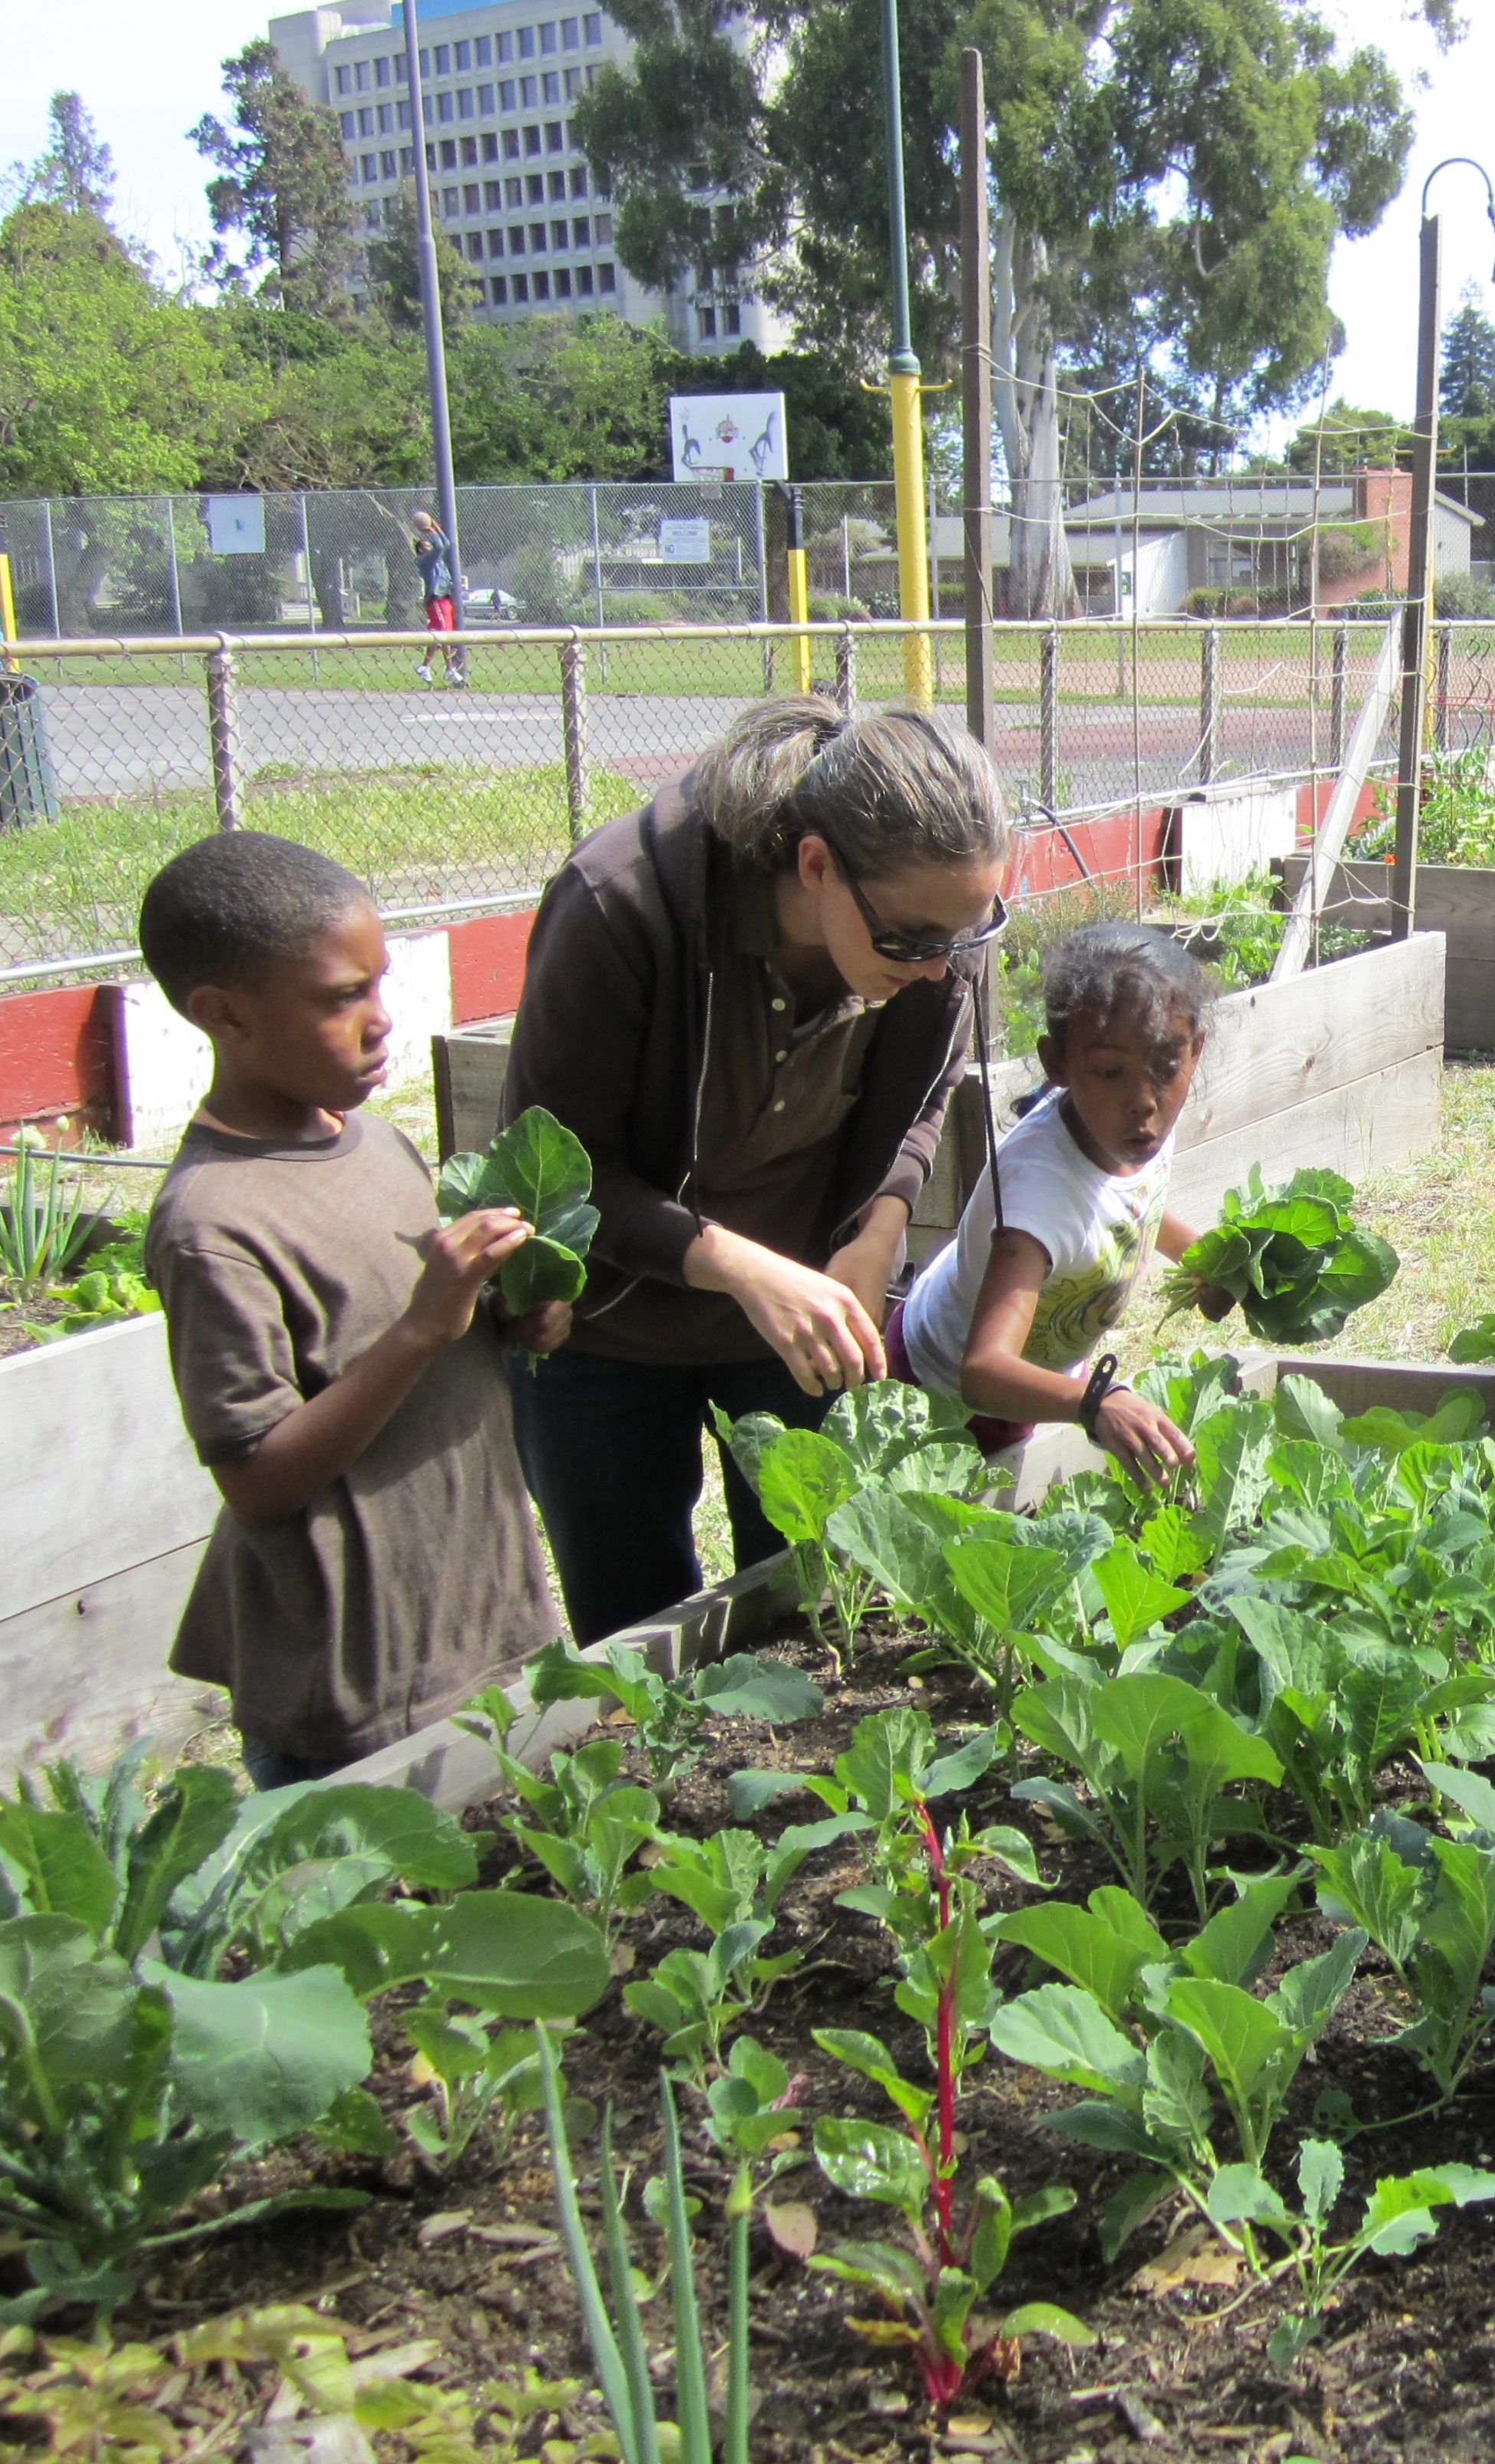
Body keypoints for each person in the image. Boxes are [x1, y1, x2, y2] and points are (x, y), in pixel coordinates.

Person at [501, 694, 1010, 1636]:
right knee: (639, 1641)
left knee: (820, 1613)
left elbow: (923, 1101)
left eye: (966, 939)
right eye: (913, 943)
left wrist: (877, 1230)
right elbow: (563, 1180)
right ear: (815, 865)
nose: (943, 970)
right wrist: (741, 1268)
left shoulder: (936, 924)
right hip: (610, 1331)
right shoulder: (621, 907)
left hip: (798, 1325)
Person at [136, 831, 570, 1789]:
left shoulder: (375, 1144)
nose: (381, 1022)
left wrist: (513, 1317)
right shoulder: (214, 1223)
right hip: (356, 1677)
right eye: (341, 998)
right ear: (223, 1015)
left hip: (481, 1620)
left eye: (380, 985)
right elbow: (258, 1480)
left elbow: (429, 1340)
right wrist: (425, 1327)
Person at [888, 924, 1212, 1480]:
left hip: (1041, 1375)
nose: (1143, 1100)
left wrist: (1206, 1259)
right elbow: (984, 1372)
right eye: (1110, 1072)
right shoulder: (1033, 1207)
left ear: (1194, 1052)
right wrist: (1095, 1402)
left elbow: (1130, 1207)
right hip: (946, 1403)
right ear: (1056, 1064)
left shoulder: (1135, 1129)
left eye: (1165, 1067)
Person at [411, 510, 468, 687]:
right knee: (442, 634)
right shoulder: (425, 560)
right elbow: (441, 546)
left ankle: (426, 666)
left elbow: (446, 543)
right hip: (436, 599)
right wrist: (429, 531)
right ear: (422, 549)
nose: (430, 546)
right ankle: (448, 669)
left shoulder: (434, 559)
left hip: (444, 599)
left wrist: (435, 525)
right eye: (427, 545)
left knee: (441, 636)